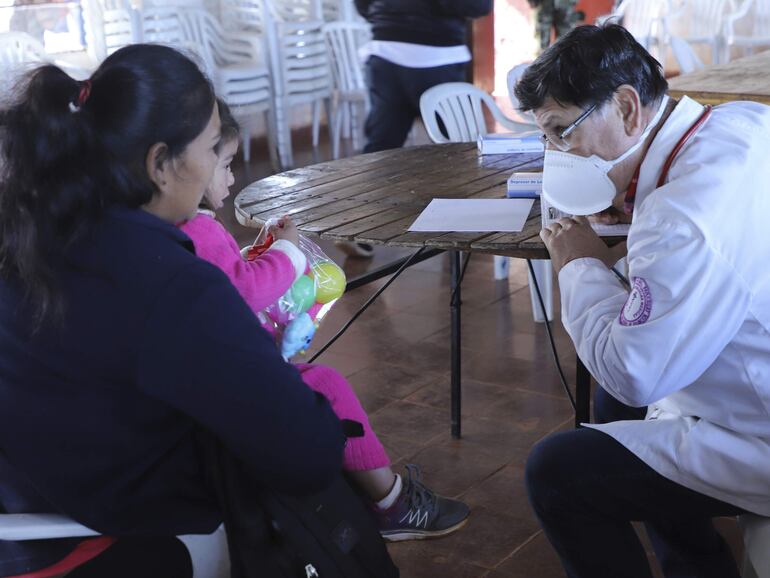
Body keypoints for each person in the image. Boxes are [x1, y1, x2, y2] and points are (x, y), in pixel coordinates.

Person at [0, 44, 348, 577]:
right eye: (213, 149)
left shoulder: (27, 233)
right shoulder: (167, 281)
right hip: (114, 539)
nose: (217, 165)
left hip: (24, 505)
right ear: (159, 164)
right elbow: (308, 453)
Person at [514, 24, 770, 578]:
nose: (557, 153)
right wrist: (631, 211)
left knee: (556, 473)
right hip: (752, 358)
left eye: (562, 132)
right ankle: (694, 566)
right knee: (613, 410)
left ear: (627, 109)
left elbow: (634, 374)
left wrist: (578, 262)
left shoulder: (677, 220)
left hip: (760, 429)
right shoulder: (739, 121)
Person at [179, 99, 470, 543]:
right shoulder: (196, 228)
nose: (233, 176)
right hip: (217, 382)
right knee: (327, 386)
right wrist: (288, 251)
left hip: (204, 370)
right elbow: (241, 291)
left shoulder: (179, 225)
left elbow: (219, 283)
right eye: (227, 164)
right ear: (186, 164)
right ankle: (392, 505)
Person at [354, 0, 493, 154]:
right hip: (438, 57)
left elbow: (362, 5)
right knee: (458, 147)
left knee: (381, 146)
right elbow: (478, 6)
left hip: (385, 51)